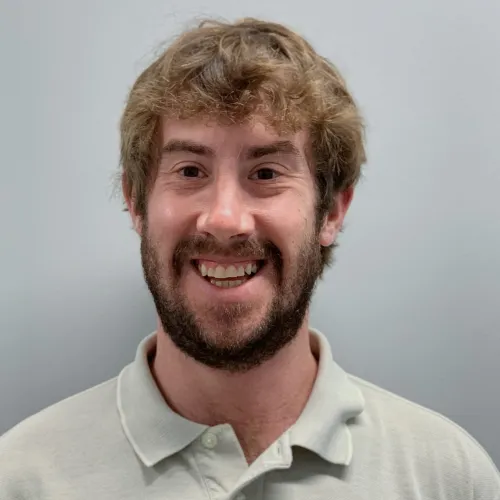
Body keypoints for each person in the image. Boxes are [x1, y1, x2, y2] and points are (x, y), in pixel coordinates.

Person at [1, 17, 499, 500]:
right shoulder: (22, 479)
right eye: (190, 171)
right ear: (136, 203)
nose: (224, 219)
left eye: (266, 174)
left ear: (331, 211)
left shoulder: (448, 479)